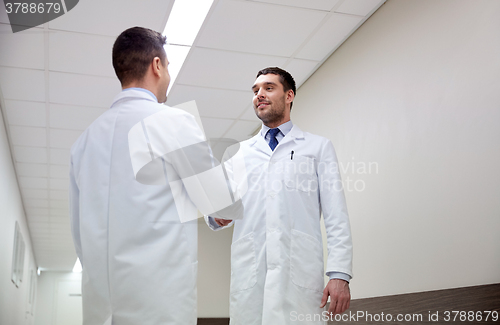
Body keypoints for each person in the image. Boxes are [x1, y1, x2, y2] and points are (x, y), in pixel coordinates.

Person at [69, 26, 242, 325]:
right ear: (157, 65)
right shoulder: (173, 122)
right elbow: (220, 203)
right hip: (159, 306)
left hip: (101, 311)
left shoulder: (83, 142)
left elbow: (78, 233)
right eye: (168, 66)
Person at [207, 67, 353, 324]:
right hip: (251, 279)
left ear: (289, 96)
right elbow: (218, 209)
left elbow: (336, 215)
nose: (259, 95)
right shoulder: (238, 152)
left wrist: (339, 274)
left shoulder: (317, 148)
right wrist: (217, 217)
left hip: (299, 276)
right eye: (255, 91)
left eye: (268, 88)